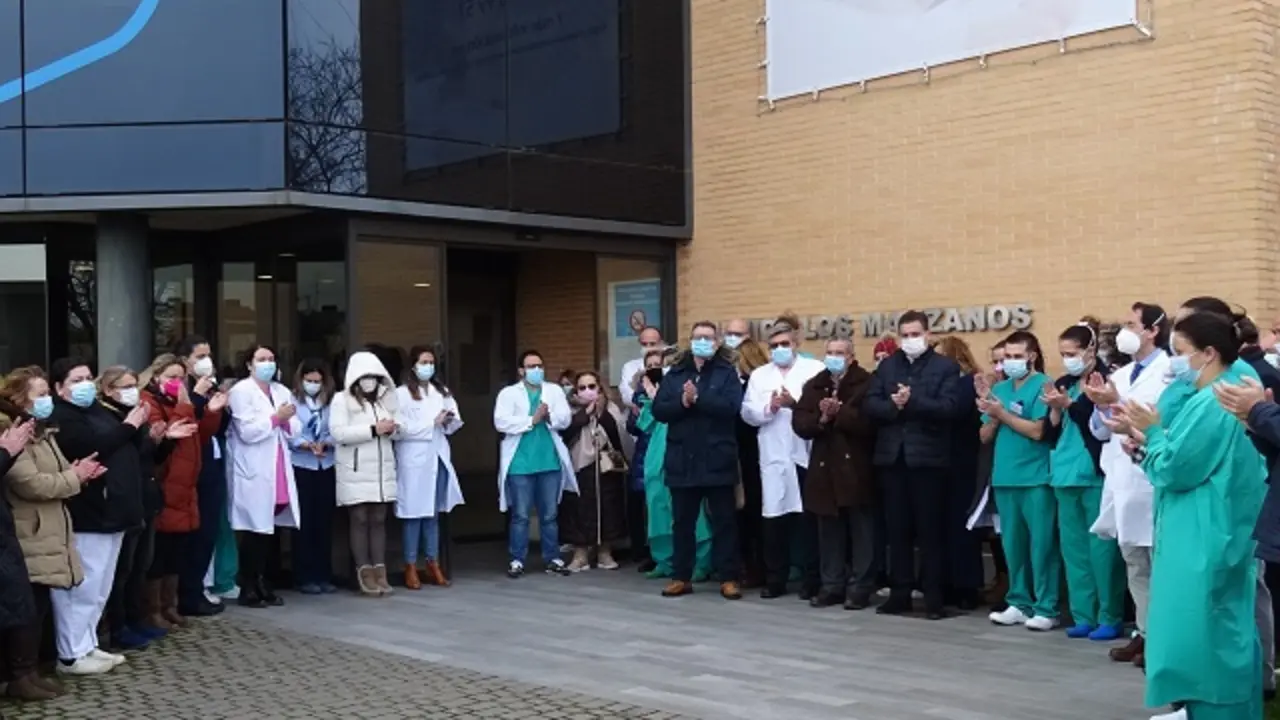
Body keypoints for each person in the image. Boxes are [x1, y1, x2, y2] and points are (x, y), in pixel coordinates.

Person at [1115, 311, 1266, 720]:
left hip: (1206, 531)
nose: (1175, 361)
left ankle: (1218, 710)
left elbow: (1176, 468)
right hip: (1209, 524)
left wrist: (1153, 432)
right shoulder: (1216, 393)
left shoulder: (1216, 399)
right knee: (1212, 625)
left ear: (1209, 353)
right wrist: (1145, 438)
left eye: (1180, 352)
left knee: (1206, 628)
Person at [46, 358, 155, 674]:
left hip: (116, 510)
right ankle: (70, 653)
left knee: (101, 586)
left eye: (87, 377)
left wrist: (136, 424)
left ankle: (87, 642)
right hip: (90, 512)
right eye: (75, 380)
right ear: (59, 388)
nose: (84, 384)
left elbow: (129, 443)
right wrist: (129, 425)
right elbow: (91, 446)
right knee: (83, 585)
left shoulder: (98, 410)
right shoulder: (63, 416)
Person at [1085, 302, 1171, 667]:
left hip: (1151, 479)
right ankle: (1145, 632)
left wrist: (1116, 401)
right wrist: (1100, 405)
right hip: (1121, 477)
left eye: (1132, 325)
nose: (1125, 332)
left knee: (1159, 563)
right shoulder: (1119, 375)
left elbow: (1156, 421)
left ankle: (1163, 639)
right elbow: (1100, 431)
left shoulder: (1169, 373)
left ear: (1153, 330)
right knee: (1134, 563)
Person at [0, 369, 97, 688]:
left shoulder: (42, 430)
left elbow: (56, 472)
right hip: (29, 530)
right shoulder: (12, 431)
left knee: (37, 606)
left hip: (48, 527)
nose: (47, 400)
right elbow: (30, 483)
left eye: (47, 394)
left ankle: (30, 672)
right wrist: (74, 478)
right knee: (26, 607)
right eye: (40, 394)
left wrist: (77, 473)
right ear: (19, 399)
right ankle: (20, 675)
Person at [863, 311, 962, 619]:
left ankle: (933, 597)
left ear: (928, 334)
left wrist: (913, 401)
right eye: (905, 335)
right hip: (893, 458)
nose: (910, 340)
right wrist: (893, 405)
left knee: (930, 531)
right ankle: (900, 593)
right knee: (897, 530)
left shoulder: (945, 367)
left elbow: (950, 407)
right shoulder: (887, 366)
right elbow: (871, 404)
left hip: (929, 460)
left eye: (915, 334)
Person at [1042, 321, 1126, 641]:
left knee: (1102, 552)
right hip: (1064, 473)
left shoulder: (1105, 380)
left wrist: (1069, 405)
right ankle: (1083, 615)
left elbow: (1098, 426)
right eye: (1063, 354)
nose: (1068, 360)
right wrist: (1054, 411)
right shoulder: (1063, 383)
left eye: (1072, 353)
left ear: (1091, 350)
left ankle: (1109, 615)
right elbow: (1051, 431)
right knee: (1074, 550)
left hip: (1093, 474)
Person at [651, 321, 744, 600]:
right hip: (683, 459)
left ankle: (728, 577)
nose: (703, 342)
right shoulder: (675, 373)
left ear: (717, 342)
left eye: (708, 338)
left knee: (725, 522)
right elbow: (659, 409)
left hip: (717, 458)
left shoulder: (727, 373)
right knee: (682, 523)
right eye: (698, 337)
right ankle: (681, 576)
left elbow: (731, 407)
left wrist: (699, 398)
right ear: (690, 341)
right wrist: (683, 402)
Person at [979, 331, 1061, 631]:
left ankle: (1046, 606)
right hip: (1005, 477)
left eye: (1017, 356)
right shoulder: (1000, 388)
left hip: (1035, 477)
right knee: (1013, 545)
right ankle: (1019, 602)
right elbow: (984, 435)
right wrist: (992, 415)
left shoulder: (1044, 386)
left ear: (1031, 356)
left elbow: (1038, 431)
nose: (1010, 362)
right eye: (1006, 357)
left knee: (1042, 545)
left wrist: (1002, 413)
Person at [741, 319, 825, 599]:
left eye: (784, 344)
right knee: (774, 520)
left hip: (806, 453)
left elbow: (820, 408)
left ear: (796, 344)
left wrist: (794, 403)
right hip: (774, 455)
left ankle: (811, 580)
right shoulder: (760, 376)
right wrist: (770, 407)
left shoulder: (814, 370)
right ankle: (775, 579)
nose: (780, 349)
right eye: (774, 345)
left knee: (809, 520)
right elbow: (747, 412)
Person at [791, 337, 877, 610]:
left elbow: (871, 422)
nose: (834, 357)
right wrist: (821, 419)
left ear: (851, 357)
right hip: (824, 466)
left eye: (840, 353)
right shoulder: (815, 385)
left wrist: (841, 413)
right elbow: (800, 422)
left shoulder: (866, 383)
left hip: (856, 467)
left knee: (862, 532)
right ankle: (832, 585)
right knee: (829, 531)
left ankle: (861, 587)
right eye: (830, 352)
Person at [137, 356, 221, 635]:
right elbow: (167, 436)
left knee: (176, 551)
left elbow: (198, 435)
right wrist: (187, 404)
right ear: (155, 377)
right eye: (171, 377)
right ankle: (153, 609)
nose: (177, 383)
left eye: (181, 378)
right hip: (166, 482)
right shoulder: (149, 402)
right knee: (159, 552)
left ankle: (170, 605)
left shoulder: (180, 402)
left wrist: (211, 413)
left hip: (186, 484)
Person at [226, 344, 302, 609]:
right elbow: (247, 432)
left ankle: (264, 582)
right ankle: (248, 585)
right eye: (261, 359)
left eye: (271, 359)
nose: (268, 363)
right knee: (254, 530)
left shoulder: (281, 391)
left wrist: (285, 420)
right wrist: (275, 418)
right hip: (254, 466)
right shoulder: (240, 392)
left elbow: (296, 428)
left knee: (270, 527)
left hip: (277, 464)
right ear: (249, 364)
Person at [493, 350, 578, 578]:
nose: (537, 370)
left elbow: (565, 419)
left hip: (549, 462)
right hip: (520, 464)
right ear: (521, 371)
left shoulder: (554, 391)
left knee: (549, 515)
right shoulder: (509, 393)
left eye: (539, 366)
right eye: (531, 367)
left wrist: (549, 417)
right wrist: (532, 420)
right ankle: (517, 560)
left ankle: (552, 558)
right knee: (520, 515)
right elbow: (501, 422)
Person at [632, 351, 714, 580]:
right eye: (653, 366)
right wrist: (651, 399)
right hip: (656, 458)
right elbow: (645, 425)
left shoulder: (691, 386)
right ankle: (664, 560)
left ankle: (701, 561)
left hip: (683, 454)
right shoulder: (649, 394)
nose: (661, 370)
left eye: (663, 365)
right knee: (658, 509)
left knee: (691, 513)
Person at [330, 350, 400, 597]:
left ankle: (381, 570)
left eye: (373, 375)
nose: (369, 381)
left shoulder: (386, 399)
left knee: (379, 519)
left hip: (382, 470)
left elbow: (402, 427)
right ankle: (363, 571)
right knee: (359, 518)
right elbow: (338, 433)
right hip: (355, 468)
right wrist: (372, 429)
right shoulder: (341, 400)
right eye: (365, 376)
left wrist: (393, 429)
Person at [395, 347, 464, 589]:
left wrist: (448, 420)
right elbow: (398, 429)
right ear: (413, 365)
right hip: (413, 460)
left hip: (437, 457)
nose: (429, 367)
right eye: (424, 362)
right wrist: (430, 423)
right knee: (413, 515)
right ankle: (410, 565)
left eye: (432, 362)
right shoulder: (401, 394)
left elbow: (454, 423)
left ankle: (432, 563)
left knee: (432, 515)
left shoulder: (441, 392)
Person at [175, 335, 232, 614]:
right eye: (200, 356)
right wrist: (198, 397)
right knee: (194, 534)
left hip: (212, 462)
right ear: (185, 360)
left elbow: (220, 427)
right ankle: (187, 594)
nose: (206, 361)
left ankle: (197, 588)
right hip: (191, 467)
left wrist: (220, 403)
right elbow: (187, 420)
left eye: (208, 355)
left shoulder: (209, 385)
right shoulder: (182, 388)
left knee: (209, 529)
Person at [933, 335, 985, 611]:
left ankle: (966, 586)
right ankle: (945, 583)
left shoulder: (968, 383)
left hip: (963, 461)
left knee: (961, 526)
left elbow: (957, 413)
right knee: (940, 526)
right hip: (941, 462)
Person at [560, 371, 631, 572]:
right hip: (580, 465)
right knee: (580, 508)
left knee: (608, 507)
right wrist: (585, 414)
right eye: (582, 388)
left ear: (599, 388)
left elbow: (619, 436)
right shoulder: (570, 409)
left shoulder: (610, 408)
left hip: (606, 465)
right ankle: (580, 554)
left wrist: (601, 414)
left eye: (592, 386)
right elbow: (565, 434)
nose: (588, 391)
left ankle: (604, 552)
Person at [288, 358, 338, 595]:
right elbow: (288, 431)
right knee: (304, 523)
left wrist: (326, 442)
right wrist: (305, 444)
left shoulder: (330, 402)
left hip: (325, 464)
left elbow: (335, 428)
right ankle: (304, 575)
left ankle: (323, 574)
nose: (313, 385)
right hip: (301, 464)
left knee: (324, 522)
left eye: (317, 381)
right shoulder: (292, 400)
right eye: (309, 380)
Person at [726, 317, 768, 587]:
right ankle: (752, 566)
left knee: (749, 514)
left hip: (749, 456)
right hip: (750, 456)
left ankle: (752, 567)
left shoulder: (750, 386)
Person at [618, 327, 665, 413]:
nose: (648, 347)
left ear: (661, 344)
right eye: (644, 344)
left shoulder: (669, 367)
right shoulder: (629, 367)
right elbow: (626, 396)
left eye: (652, 344)